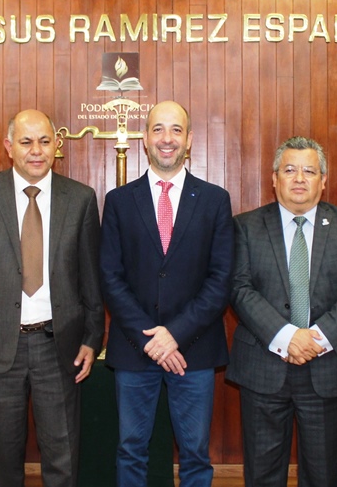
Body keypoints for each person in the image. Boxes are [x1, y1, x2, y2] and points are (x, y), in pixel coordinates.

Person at [0, 109, 104, 487]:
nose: (36, 150)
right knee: (3, 460)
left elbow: (91, 277)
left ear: (56, 145)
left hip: (59, 346)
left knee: (62, 458)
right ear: (9, 147)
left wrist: (92, 338)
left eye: (44, 141)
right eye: (26, 142)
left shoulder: (81, 199)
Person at [227, 136, 337, 487]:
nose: (299, 178)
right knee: (262, 475)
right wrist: (288, 337)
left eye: (309, 171)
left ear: (323, 180)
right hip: (263, 366)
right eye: (289, 170)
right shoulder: (245, 225)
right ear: (274, 178)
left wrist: (315, 339)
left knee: (322, 475)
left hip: (326, 366)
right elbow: (239, 288)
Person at [100, 100, 233, 487]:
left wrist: (174, 334)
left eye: (176, 130)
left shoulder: (214, 200)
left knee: (195, 453)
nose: (167, 138)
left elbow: (220, 279)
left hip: (194, 348)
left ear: (189, 139)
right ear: (144, 138)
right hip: (134, 347)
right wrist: (151, 339)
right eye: (158, 129)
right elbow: (110, 277)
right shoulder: (119, 201)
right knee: (130, 450)